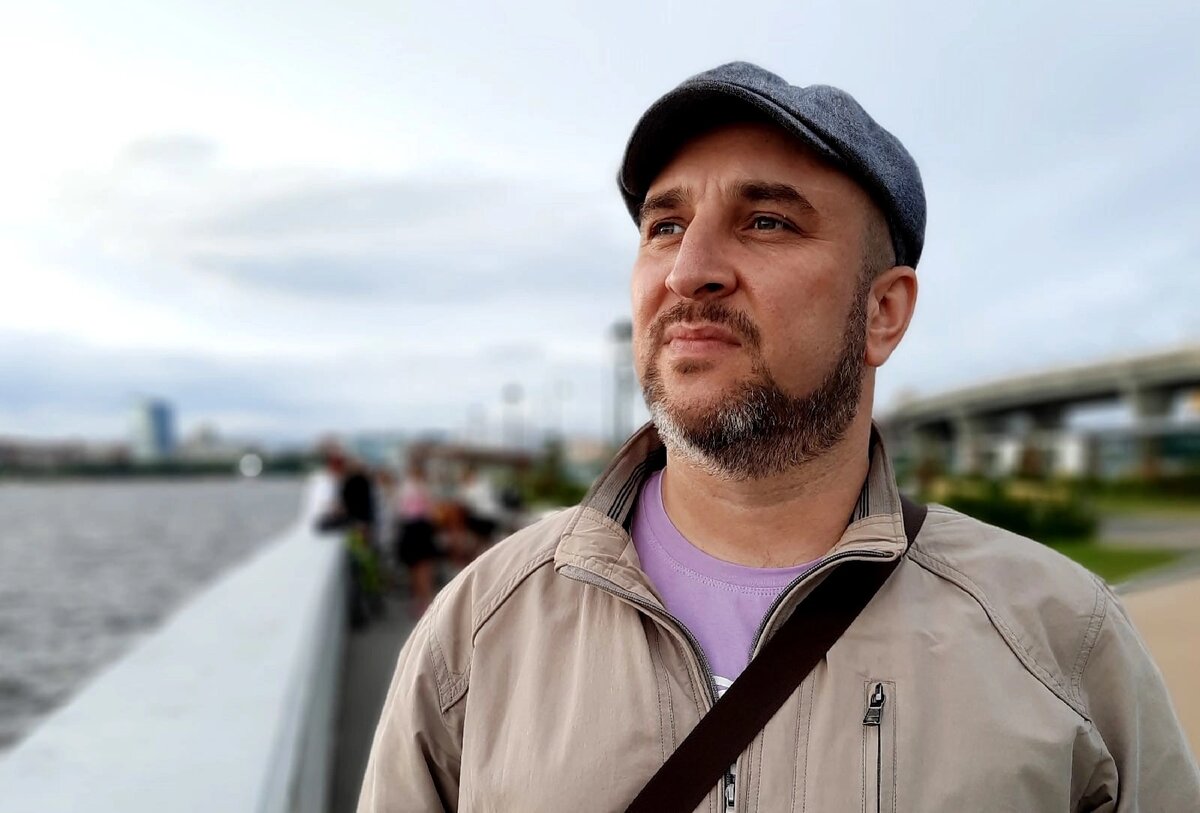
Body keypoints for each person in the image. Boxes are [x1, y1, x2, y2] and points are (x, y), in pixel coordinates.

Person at [358, 63, 1200, 811]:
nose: (689, 270)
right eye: (665, 226)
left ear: (883, 311)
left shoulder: (1059, 641)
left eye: (766, 221)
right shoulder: (481, 630)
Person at [393, 460, 439, 616]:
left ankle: (422, 601)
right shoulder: (423, 487)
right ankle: (425, 601)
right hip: (420, 529)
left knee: (417, 569)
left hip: (412, 529)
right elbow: (431, 512)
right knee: (423, 568)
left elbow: (400, 510)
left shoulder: (407, 487)